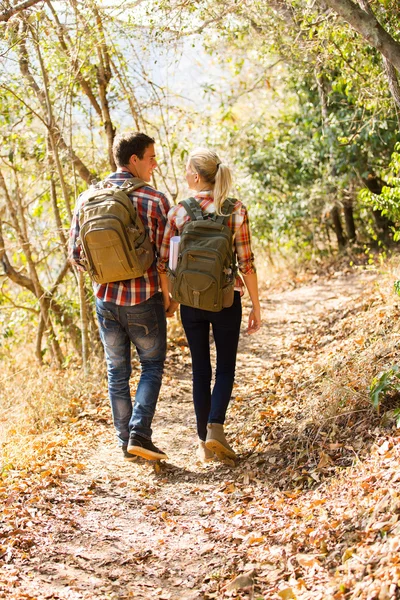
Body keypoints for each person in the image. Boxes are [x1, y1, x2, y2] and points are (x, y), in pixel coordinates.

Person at [69, 132, 172, 462]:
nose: (155, 164)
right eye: (151, 157)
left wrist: (106, 274)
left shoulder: (87, 198)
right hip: (144, 299)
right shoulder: (154, 200)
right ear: (134, 160)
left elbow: (75, 255)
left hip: (105, 301)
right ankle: (140, 434)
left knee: (117, 373)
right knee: (152, 366)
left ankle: (124, 441)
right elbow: (167, 258)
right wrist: (171, 298)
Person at [158, 148, 261, 463]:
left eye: (188, 170)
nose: (186, 175)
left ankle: (205, 444)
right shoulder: (235, 210)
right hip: (227, 298)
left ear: (196, 176)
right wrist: (257, 305)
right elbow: (247, 264)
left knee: (200, 370)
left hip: (191, 301)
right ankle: (216, 425)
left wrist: (171, 300)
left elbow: (164, 263)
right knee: (226, 366)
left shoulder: (179, 213)